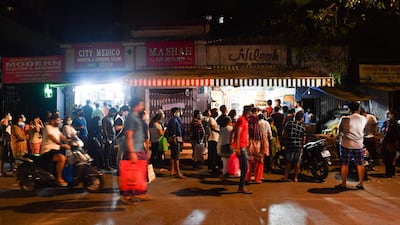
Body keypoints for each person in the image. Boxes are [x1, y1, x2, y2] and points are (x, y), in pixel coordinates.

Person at [121, 97, 150, 201]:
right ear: (136, 105)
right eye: (141, 105)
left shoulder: (136, 117)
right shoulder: (131, 117)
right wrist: (132, 152)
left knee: (138, 171)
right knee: (132, 173)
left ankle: (137, 193)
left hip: (138, 148)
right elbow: (129, 135)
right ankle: (129, 195)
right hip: (134, 149)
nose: (142, 107)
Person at [335, 102, 367, 190]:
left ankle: (343, 184)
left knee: (345, 164)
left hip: (346, 144)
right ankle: (361, 183)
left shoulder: (345, 118)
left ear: (350, 110)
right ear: (359, 109)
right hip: (359, 144)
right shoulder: (364, 119)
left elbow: (340, 130)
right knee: (360, 164)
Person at [40, 114, 71, 186]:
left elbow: (61, 136)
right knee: (62, 158)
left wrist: (69, 141)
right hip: (48, 151)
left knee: (69, 159)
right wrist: (61, 144)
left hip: (55, 150)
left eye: (59, 120)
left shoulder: (56, 129)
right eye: (57, 120)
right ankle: (59, 178)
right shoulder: (48, 127)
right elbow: (52, 137)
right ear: (52, 121)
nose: (59, 122)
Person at [231, 105, 252, 194]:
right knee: (245, 168)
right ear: (247, 112)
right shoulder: (242, 120)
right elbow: (238, 133)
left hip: (242, 146)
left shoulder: (242, 120)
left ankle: (241, 186)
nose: (250, 114)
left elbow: (233, 131)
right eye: (250, 112)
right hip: (241, 147)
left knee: (242, 167)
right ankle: (241, 187)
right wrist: (238, 147)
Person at [281, 111, 306, 182]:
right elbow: (304, 138)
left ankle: (286, 177)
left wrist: (284, 140)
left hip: (289, 145)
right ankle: (295, 178)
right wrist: (302, 146)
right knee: (297, 162)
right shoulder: (302, 127)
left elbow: (284, 134)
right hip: (298, 147)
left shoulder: (289, 123)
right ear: (301, 118)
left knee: (288, 162)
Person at [246, 108, 268, 184]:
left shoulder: (247, 125)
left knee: (248, 163)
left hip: (248, 145)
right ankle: (257, 178)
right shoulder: (259, 126)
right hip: (257, 145)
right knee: (259, 162)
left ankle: (247, 178)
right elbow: (263, 136)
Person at [166, 107, 185, 178]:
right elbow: (173, 130)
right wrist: (174, 138)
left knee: (173, 155)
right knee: (176, 156)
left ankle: (172, 170)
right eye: (178, 111)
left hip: (177, 139)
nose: (180, 113)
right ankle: (178, 172)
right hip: (176, 139)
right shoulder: (174, 120)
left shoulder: (176, 119)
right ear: (175, 113)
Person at [381, 109, 400, 178]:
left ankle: (388, 173)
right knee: (391, 158)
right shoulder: (393, 123)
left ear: (392, 115)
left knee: (388, 158)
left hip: (389, 143)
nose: (388, 114)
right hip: (392, 143)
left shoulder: (391, 123)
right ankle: (391, 173)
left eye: (389, 113)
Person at [114, 105, 130, 173]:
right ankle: (119, 169)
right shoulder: (118, 118)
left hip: (123, 136)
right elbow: (116, 128)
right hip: (120, 137)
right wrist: (124, 126)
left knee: (122, 153)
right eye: (125, 112)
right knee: (120, 153)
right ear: (122, 110)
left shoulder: (121, 117)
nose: (125, 113)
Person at [207, 108, 221, 175]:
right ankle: (213, 168)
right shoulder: (211, 119)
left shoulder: (214, 119)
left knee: (214, 154)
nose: (217, 113)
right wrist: (219, 131)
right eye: (216, 112)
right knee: (213, 154)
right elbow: (213, 127)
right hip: (213, 138)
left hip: (215, 138)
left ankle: (213, 167)